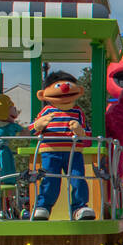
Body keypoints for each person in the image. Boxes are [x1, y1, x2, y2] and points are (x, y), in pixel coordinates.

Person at [30, 71, 95, 221]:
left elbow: (85, 133)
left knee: (78, 178)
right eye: (58, 85)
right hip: (50, 152)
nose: (65, 88)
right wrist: (39, 124)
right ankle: (43, 207)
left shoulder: (78, 112)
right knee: (49, 180)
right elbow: (33, 128)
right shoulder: (46, 111)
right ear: (43, 94)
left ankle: (80, 207)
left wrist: (79, 130)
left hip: (73, 152)